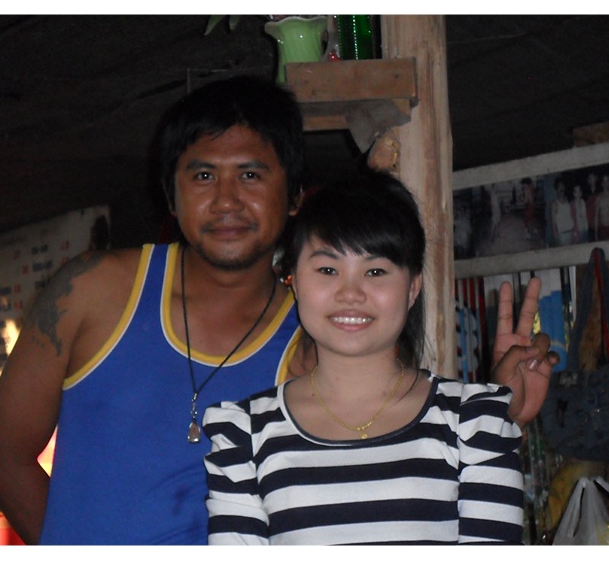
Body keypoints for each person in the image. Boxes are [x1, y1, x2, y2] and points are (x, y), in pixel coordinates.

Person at [0, 75, 557, 545]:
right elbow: (0, 456)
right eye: (203, 175)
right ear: (171, 193)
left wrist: (500, 413)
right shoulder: (91, 291)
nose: (226, 200)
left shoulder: (315, 339)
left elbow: (388, 463)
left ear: (295, 194)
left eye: (251, 175)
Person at [204, 171, 534, 544]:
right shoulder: (244, 436)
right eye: (328, 270)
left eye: (375, 271)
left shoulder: (476, 424)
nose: (351, 293)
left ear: (413, 287)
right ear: (294, 279)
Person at [550, 177, 574, 246]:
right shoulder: (554, 204)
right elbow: (553, 224)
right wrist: (556, 239)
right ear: (556, 189)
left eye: (562, 186)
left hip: (571, 233)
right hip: (562, 236)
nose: (561, 188)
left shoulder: (567, 201)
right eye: (559, 187)